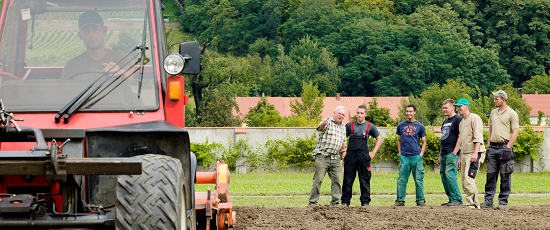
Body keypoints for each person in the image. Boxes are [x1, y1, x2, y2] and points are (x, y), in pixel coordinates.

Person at [481, 90, 519, 210]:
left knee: (505, 175)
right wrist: (488, 146)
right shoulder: (493, 113)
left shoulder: (512, 113)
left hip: (504, 147)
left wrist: (508, 148)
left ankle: (503, 201)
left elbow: (515, 132)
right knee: (490, 175)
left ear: (503, 99)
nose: (494, 101)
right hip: (493, 147)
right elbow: (490, 130)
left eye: (496, 99)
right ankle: (488, 201)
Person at [61, 11, 126, 80]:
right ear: (80, 35)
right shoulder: (71, 65)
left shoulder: (122, 59)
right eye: (86, 31)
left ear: (104, 30)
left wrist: (121, 73)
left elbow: (129, 75)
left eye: (95, 29)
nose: (91, 34)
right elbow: (62, 89)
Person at [340, 105, 382, 207]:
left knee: (365, 179)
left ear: (365, 114)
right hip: (351, 157)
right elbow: (342, 138)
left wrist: (373, 152)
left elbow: (379, 139)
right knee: (347, 180)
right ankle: (345, 202)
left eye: (362, 113)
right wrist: (344, 152)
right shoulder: (350, 125)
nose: (359, 115)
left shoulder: (370, 126)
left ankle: (365, 202)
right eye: (358, 113)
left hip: (364, 157)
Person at [309, 106, 347, 206]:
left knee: (337, 181)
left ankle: (335, 203)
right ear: (334, 112)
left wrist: (344, 148)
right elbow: (319, 128)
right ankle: (313, 203)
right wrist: (323, 123)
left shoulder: (343, 127)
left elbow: (344, 141)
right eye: (339, 113)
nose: (341, 116)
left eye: (343, 115)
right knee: (318, 180)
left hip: (336, 158)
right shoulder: (327, 122)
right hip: (322, 157)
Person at [392, 104, 427, 207]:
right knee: (402, 180)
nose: (409, 113)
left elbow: (424, 142)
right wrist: (400, 153)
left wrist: (421, 154)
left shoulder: (420, 126)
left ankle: (420, 201)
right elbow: (399, 140)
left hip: (416, 156)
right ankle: (400, 201)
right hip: (404, 157)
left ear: (414, 112)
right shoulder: (400, 125)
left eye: (411, 111)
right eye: (407, 111)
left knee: (418, 180)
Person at [455, 98, 486, 209]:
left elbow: (478, 137)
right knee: (464, 180)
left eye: (460, 106)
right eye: (457, 106)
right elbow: (462, 141)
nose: (458, 108)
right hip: (465, 153)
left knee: (469, 178)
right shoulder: (462, 122)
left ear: (466, 106)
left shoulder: (475, 118)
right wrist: (460, 158)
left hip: (474, 153)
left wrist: (475, 153)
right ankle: (470, 203)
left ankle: (473, 204)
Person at [437, 99, 463, 207]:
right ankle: (451, 199)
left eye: (446, 108)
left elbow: (460, 137)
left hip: (452, 153)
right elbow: (443, 139)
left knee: (450, 175)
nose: (444, 110)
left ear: (452, 108)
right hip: (444, 153)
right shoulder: (445, 122)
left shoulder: (458, 119)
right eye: (443, 108)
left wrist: (455, 153)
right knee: (444, 176)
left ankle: (457, 199)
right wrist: (439, 155)